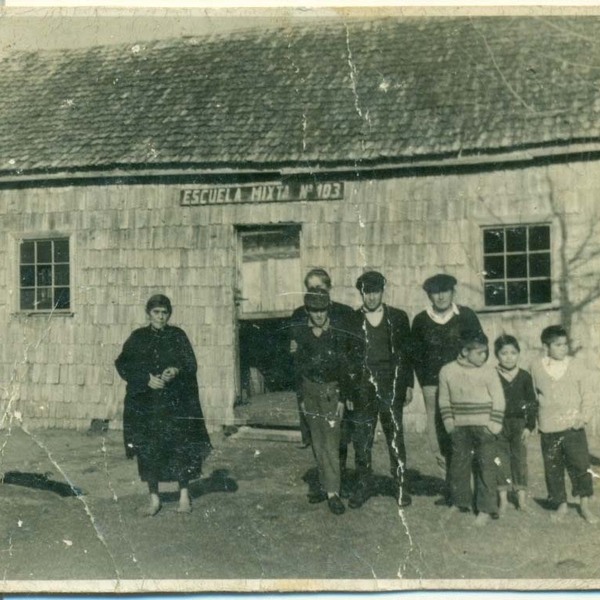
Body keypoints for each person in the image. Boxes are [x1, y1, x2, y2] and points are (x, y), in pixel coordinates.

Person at [115, 294, 212, 516]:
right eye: (156, 312)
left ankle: (184, 496)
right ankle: (154, 499)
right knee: (149, 450)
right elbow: (122, 365)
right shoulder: (137, 338)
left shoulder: (178, 336)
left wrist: (175, 370)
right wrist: (145, 379)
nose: (161, 316)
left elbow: (190, 363)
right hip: (147, 406)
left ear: (169, 314)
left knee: (179, 447)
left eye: (164, 312)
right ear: (148, 313)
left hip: (174, 404)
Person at [411, 273, 484, 502]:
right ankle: (452, 487)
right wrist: (426, 383)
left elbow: (480, 348)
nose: (440, 296)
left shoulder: (467, 316)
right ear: (429, 295)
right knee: (439, 436)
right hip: (433, 387)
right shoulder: (421, 320)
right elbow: (415, 355)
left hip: (462, 385)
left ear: (453, 292)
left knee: (464, 432)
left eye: (445, 291)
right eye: (435, 292)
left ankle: (471, 487)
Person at [348, 271, 414, 510]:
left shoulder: (397, 318)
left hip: (390, 384)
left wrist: (408, 385)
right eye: (367, 292)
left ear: (382, 291)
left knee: (394, 436)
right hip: (363, 386)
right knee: (362, 438)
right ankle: (364, 484)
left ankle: (400, 485)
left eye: (375, 291)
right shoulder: (353, 320)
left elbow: (407, 355)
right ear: (362, 293)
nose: (371, 297)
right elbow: (347, 358)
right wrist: (349, 392)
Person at [292, 288, 352, 515]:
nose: (319, 315)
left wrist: (343, 398)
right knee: (317, 442)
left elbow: (345, 368)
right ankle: (323, 486)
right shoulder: (300, 333)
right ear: (307, 311)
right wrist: (301, 399)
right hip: (309, 392)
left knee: (331, 443)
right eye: (314, 310)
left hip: (331, 393)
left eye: (323, 310)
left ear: (328, 309)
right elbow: (297, 369)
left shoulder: (336, 333)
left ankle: (333, 493)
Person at [529, 325, 597, 523]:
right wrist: (535, 419)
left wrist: (583, 418)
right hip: (549, 428)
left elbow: (589, 394)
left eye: (565, 344)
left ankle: (584, 506)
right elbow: (532, 395)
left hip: (572, 427)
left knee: (580, 466)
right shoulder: (535, 366)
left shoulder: (576, 365)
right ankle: (561, 504)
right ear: (546, 346)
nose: (563, 348)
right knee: (553, 468)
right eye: (558, 345)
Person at [438, 329, 505, 526]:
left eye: (486, 352)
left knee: (486, 467)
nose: (484, 356)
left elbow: (499, 399)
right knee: (459, 466)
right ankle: (460, 502)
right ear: (465, 351)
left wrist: (494, 425)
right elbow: (444, 400)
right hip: (459, 428)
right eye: (479, 352)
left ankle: (485, 508)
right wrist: (450, 424)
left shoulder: (489, 371)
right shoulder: (447, 371)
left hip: (485, 428)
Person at [290, 269, 354, 462]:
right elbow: (295, 352)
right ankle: (326, 485)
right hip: (312, 384)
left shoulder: (344, 313)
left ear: (329, 288)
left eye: (320, 287)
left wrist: (348, 390)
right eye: (311, 288)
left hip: (338, 383)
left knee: (339, 435)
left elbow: (351, 352)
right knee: (316, 435)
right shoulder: (299, 314)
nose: (316, 292)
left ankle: (338, 481)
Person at [494, 334, 538, 513]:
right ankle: (503, 500)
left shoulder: (525, 376)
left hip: (519, 423)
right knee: (500, 460)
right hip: (499, 423)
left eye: (513, 352)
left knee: (519, 460)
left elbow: (531, 402)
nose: (509, 357)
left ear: (519, 354)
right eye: (504, 353)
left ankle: (521, 500)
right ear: (497, 355)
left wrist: (529, 426)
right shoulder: (492, 375)